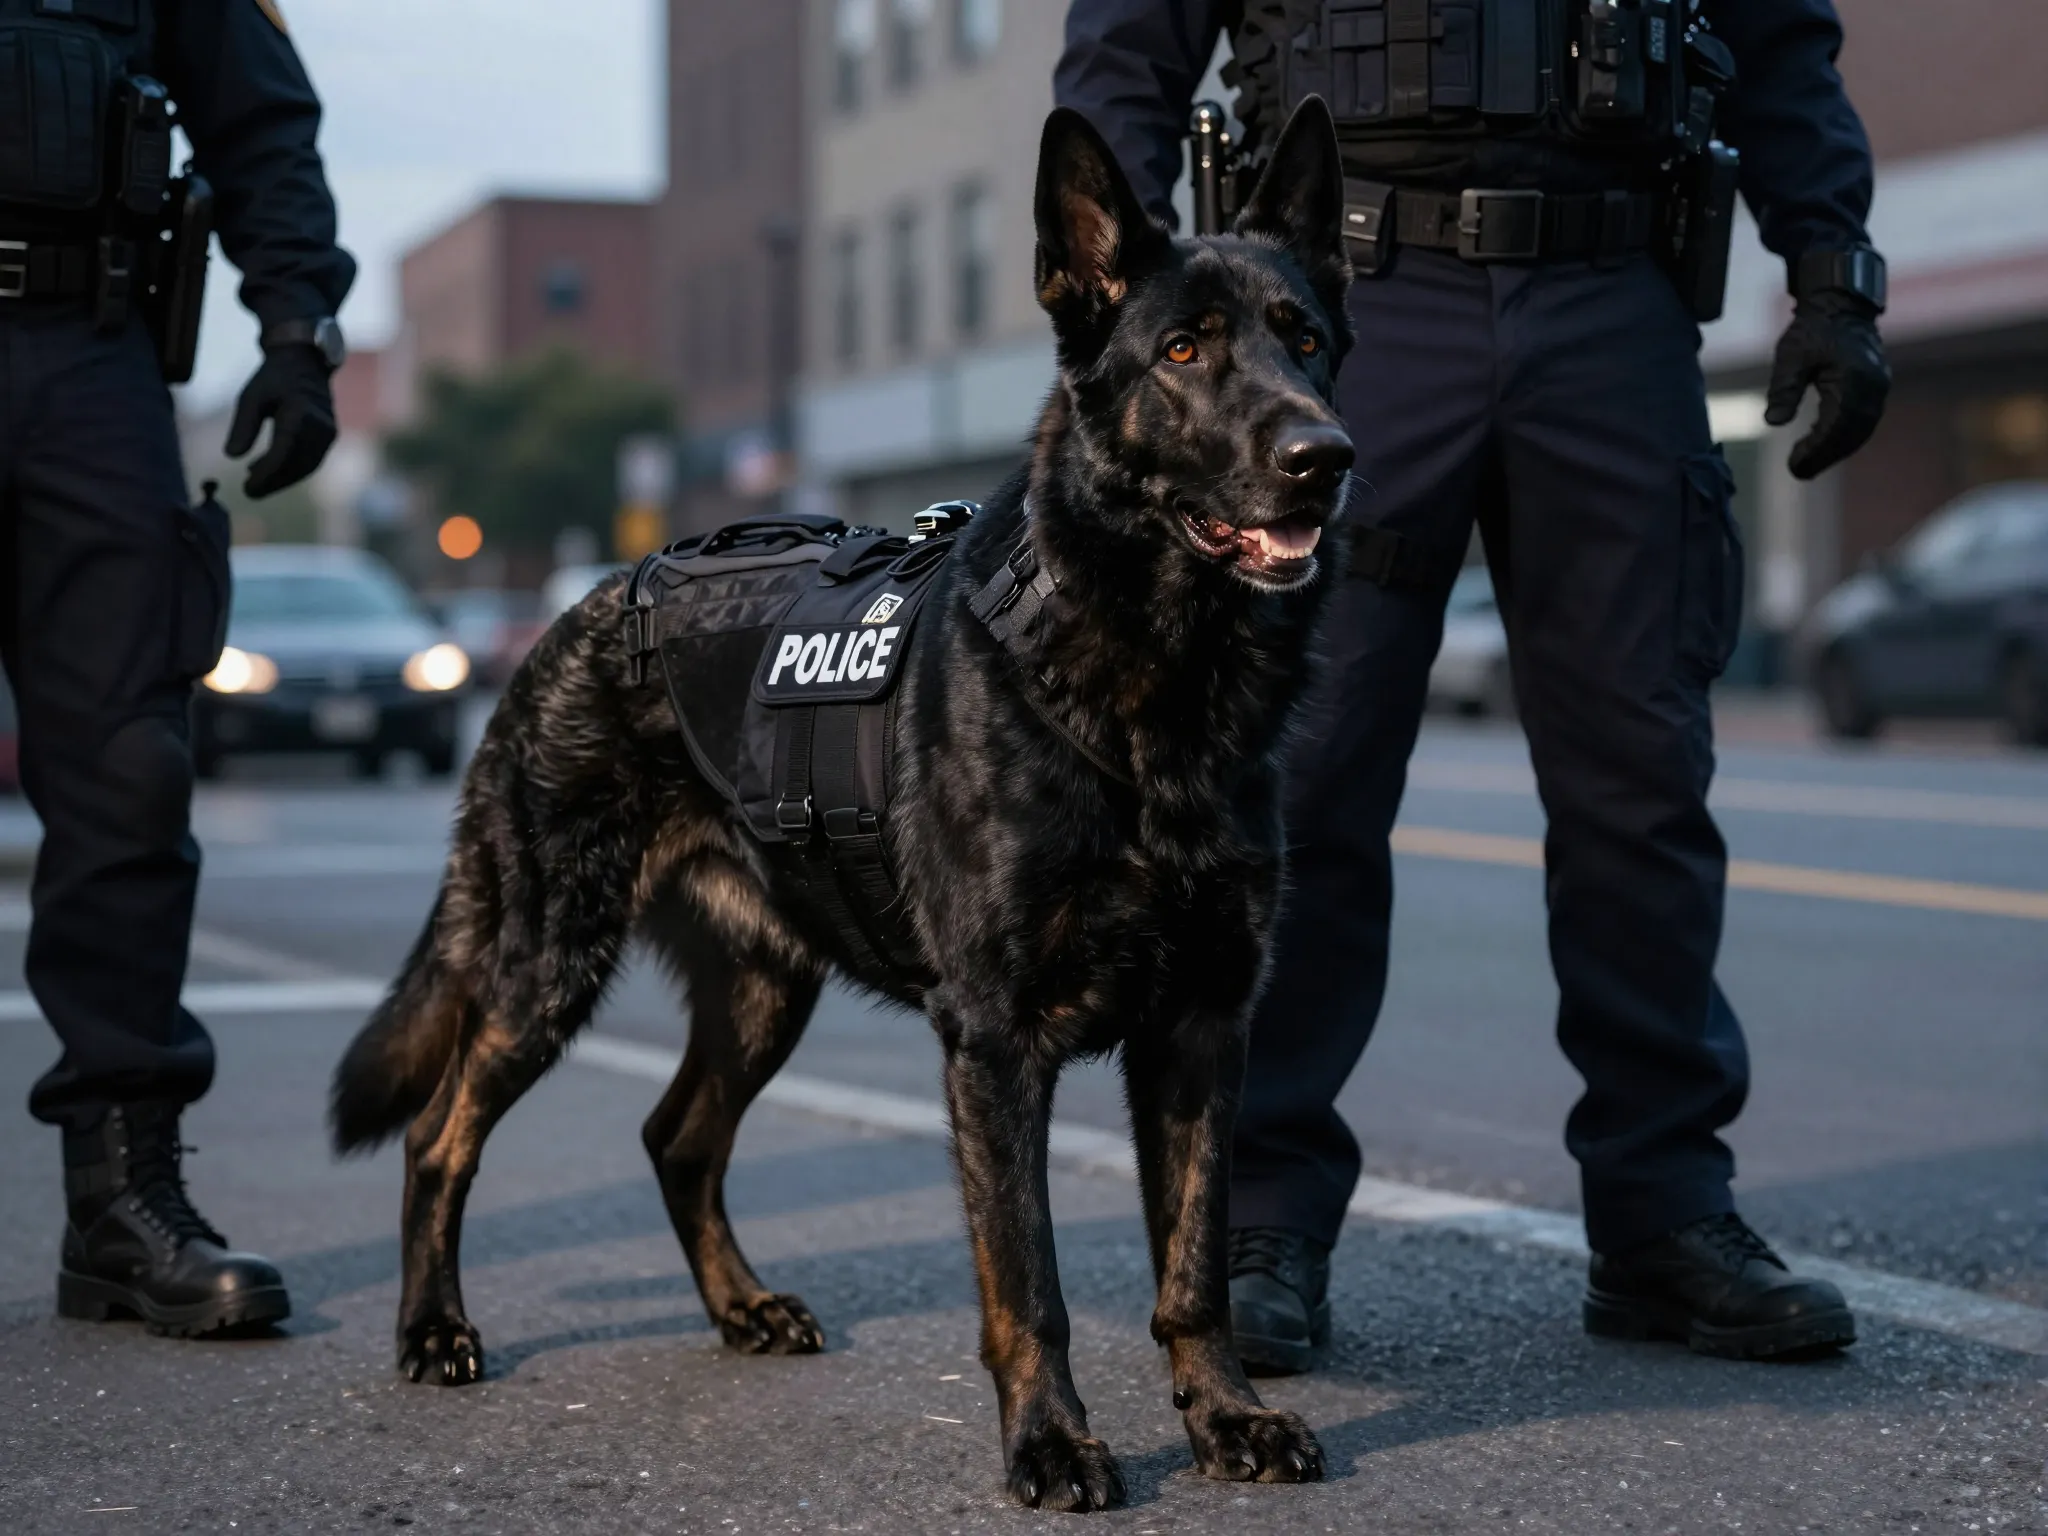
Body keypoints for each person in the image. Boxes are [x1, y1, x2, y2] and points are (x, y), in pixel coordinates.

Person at [1056, 0, 1889, 1370]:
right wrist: (1132, 306)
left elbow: (1783, 39)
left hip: (1612, 303)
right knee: (1299, 784)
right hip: (1341, 307)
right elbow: (1128, 46)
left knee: (1645, 785)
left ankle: (1665, 1216)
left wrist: (1836, 272)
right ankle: (1254, 1218)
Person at [2, 0, 354, 1335]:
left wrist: (298, 331)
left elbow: (261, 121)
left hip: (90, 362)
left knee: (130, 779)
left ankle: (122, 1201)